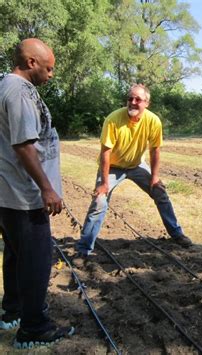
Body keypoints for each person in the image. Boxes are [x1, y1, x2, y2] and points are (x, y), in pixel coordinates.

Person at [0, 38, 74, 348]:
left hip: (9, 192)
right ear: (31, 62)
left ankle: (12, 312)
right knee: (37, 258)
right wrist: (47, 188)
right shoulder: (18, 92)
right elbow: (23, 145)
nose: (51, 74)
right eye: (49, 68)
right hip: (23, 194)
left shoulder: (6, 85)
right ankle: (34, 328)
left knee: (17, 254)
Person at [76, 83, 192, 257]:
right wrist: (104, 183)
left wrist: (154, 178)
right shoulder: (114, 119)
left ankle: (176, 234)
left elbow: (155, 151)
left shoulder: (153, 121)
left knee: (160, 192)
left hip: (136, 165)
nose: (133, 102)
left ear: (147, 103)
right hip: (112, 167)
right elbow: (105, 153)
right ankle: (84, 249)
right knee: (100, 201)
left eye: (138, 99)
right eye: (130, 98)